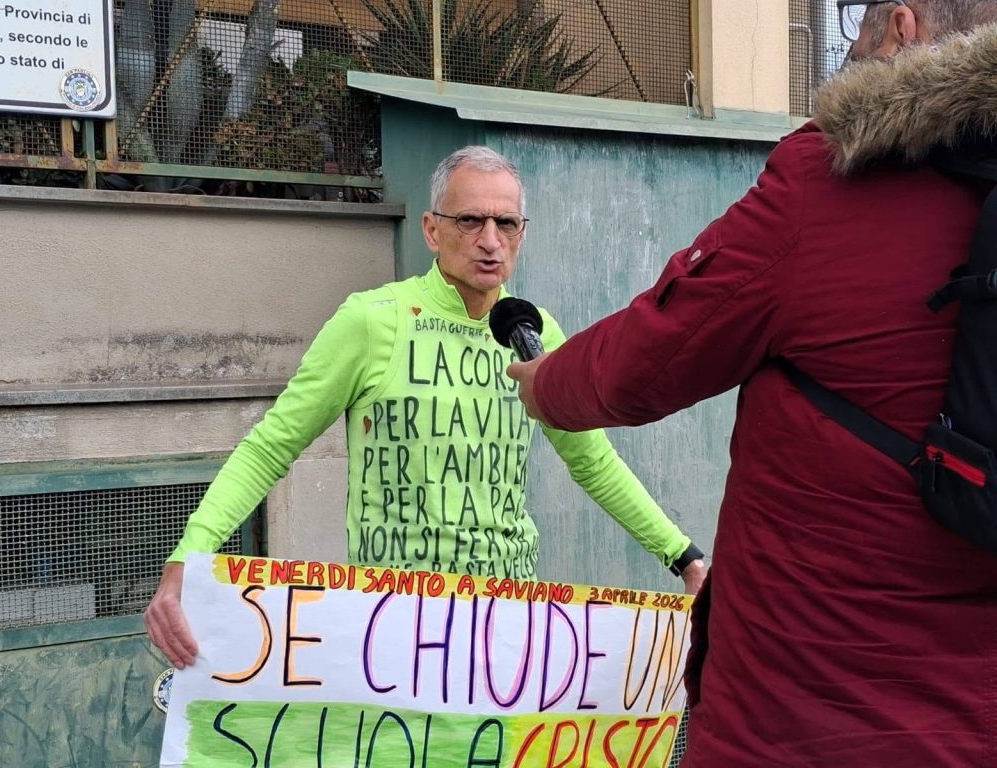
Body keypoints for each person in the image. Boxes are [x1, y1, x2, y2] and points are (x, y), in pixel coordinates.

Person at [508, 4, 997, 766]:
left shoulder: (837, 179)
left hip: (799, 720)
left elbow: (650, 357)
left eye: (859, 26)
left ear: (904, 27)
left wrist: (545, 383)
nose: (849, 50)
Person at [145, 145, 707, 670]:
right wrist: (187, 559)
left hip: (505, 630)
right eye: (470, 221)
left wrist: (684, 557)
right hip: (396, 635)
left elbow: (593, 462)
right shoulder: (372, 321)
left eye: (506, 223)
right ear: (432, 230)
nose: (490, 241)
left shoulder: (535, 334)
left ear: (523, 233)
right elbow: (271, 447)